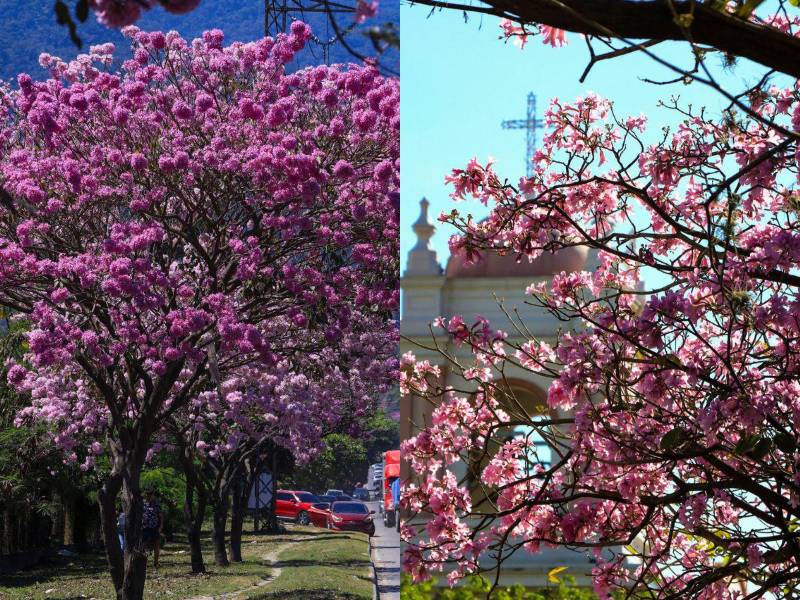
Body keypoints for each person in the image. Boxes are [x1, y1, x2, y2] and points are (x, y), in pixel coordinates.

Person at [142, 488, 163, 568]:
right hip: (144, 528)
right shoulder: (142, 504)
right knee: (144, 546)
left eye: (150, 494)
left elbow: (160, 516)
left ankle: (156, 562)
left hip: (154, 527)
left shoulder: (156, 504)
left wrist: (160, 527)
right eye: (147, 494)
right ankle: (144, 562)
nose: (149, 496)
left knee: (156, 545)